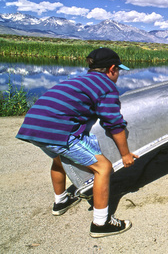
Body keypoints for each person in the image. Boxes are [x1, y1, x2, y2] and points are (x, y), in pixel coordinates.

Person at [16, 47, 139, 238]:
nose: (118, 75)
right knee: (103, 168)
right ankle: (101, 223)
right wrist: (125, 154)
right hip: (56, 130)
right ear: (112, 69)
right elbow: (114, 123)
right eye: (119, 71)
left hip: (32, 125)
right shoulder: (106, 86)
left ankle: (61, 201)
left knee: (58, 160)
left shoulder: (78, 80)